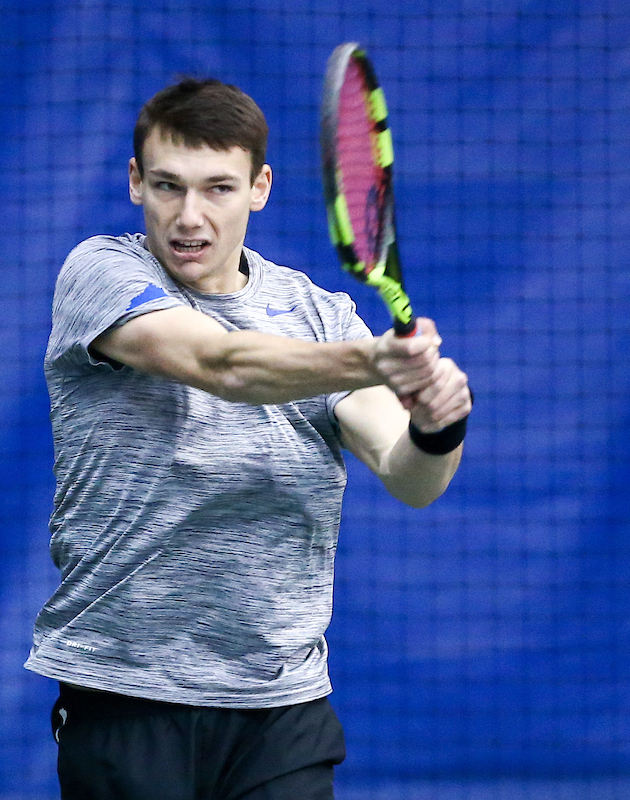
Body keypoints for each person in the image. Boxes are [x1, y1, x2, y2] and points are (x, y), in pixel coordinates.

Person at [25, 77, 472, 800]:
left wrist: (438, 424)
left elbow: (408, 475)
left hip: (280, 708)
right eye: (168, 186)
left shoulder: (323, 315)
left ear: (260, 188)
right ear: (135, 182)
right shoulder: (100, 273)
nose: (190, 216)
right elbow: (221, 363)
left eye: (218, 189)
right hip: (129, 692)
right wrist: (376, 360)